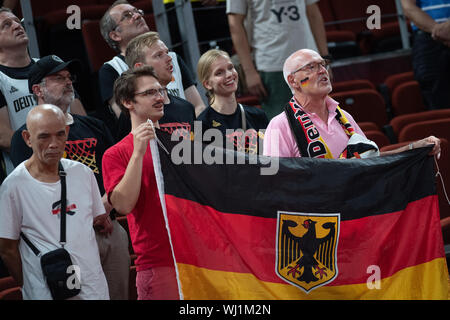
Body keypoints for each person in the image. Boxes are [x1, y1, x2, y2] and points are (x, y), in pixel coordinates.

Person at [9, 55, 130, 300]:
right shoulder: (25, 136)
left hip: (108, 225)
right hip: (62, 234)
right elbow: (35, 189)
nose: (68, 82)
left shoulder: (94, 126)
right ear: (37, 90)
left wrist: (104, 208)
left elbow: (117, 172)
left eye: (68, 78)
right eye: (58, 78)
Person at [0, 104, 109, 300]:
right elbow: (7, 247)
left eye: (60, 134)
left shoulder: (83, 173)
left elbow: (94, 220)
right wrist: (29, 284)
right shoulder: (13, 186)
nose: (53, 143)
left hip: (93, 287)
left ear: (67, 132)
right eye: (44, 136)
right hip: (44, 289)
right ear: (27, 138)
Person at [263, 49, 441, 159]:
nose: (323, 71)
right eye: (312, 67)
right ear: (293, 81)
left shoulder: (343, 117)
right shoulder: (279, 125)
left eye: (323, 65)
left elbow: (371, 160)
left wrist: (413, 148)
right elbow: (275, 183)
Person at [102, 66, 179, 300]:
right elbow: (123, 205)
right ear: (128, 102)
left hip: (196, 256)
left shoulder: (181, 144)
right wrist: (138, 153)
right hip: (158, 262)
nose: (160, 97)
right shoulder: (115, 154)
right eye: (149, 93)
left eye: (161, 91)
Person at [98, 0, 205, 138]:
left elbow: (198, 106)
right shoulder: (111, 69)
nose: (137, 16)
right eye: (127, 15)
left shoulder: (173, 57)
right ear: (115, 35)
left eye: (138, 11)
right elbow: (126, 117)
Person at [0, 7, 86, 177]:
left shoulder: (53, 68)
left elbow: (81, 119)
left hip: (75, 158)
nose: (17, 26)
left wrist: (70, 150)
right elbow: (3, 136)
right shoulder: (2, 79)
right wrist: (50, 152)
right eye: (6, 25)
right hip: (29, 170)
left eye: (18, 22)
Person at [227, 0, 330, 120]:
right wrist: (249, 71)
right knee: (284, 126)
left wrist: (325, 59)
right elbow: (235, 24)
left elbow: (313, 13)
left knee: (323, 120)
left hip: (309, 62)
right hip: (272, 66)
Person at [124, 31, 196, 139]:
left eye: (167, 52)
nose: (169, 58)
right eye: (158, 55)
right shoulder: (133, 112)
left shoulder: (187, 108)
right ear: (139, 67)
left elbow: (197, 152)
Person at [197, 49, 268, 154]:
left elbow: (272, 159)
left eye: (230, 68)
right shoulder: (202, 125)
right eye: (219, 73)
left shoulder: (257, 115)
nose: (229, 74)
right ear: (207, 84)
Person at [401, 0, 450, 109]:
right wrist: (438, 31)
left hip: (437, 33)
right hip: (428, 38)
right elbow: (408, 8)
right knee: (436, 96)